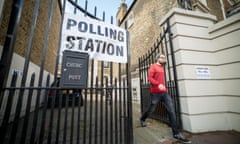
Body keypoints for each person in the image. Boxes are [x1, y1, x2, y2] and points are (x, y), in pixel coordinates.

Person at [139, 53, 191, 143]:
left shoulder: (162, 68)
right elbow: (150, 78)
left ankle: (176, 133)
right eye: (162, 57)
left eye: (164, 58)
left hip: (164, 92)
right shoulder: (153, 66)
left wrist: (162, 86)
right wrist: (158, 84)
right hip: (155, 93)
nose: (164, 59)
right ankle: (143, 119)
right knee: (151, 109)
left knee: (171, 110)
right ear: (157, 58)